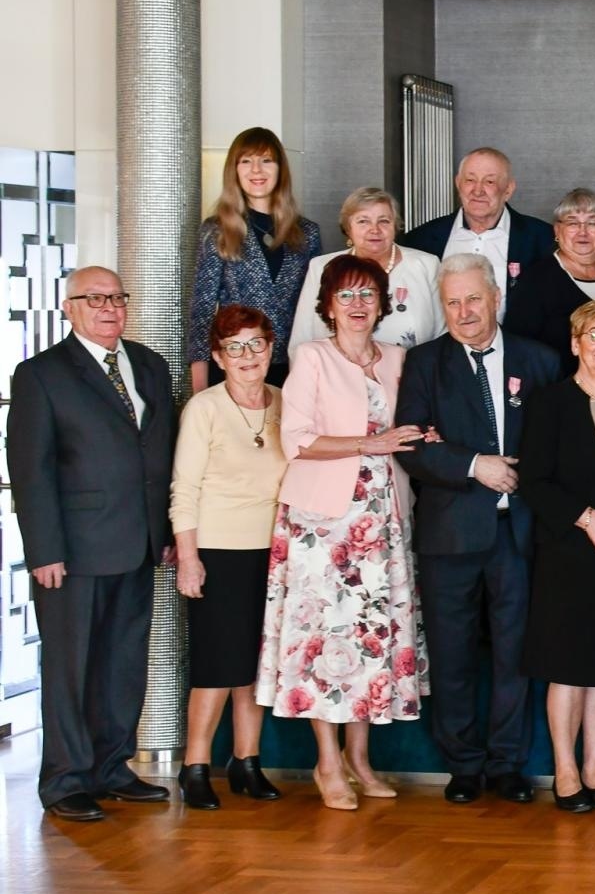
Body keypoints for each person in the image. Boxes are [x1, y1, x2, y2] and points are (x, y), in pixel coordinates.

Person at [254, 254, 432, 811]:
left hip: (385, 518)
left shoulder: (401, 358)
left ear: (384, 303)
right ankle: (326, 763)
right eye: (346, 296)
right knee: (323, 641)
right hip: (323, 524)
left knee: (373, 639)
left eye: (367, 295)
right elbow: (297, 440)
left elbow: (418, 425)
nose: (357, 306)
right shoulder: (310, 357)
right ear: (328, 307)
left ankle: (361, 759)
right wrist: (368, 444)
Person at [9, 267, 176, 822]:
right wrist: (44, 551)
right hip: (73, 551)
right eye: (95, 299)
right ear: (70, 307)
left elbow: (161, 457)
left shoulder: (149, 365)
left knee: (124, 663)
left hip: (139, 542)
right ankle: (65, 779)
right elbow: (30, 470)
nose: (110, 308)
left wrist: (168, 532)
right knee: (71, 665)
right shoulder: (41, 374)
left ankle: (111, 766)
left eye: (118, 298)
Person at [394, 253, 562, 805]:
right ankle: (463, 764)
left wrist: (520, 469)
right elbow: (414, 444)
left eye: (473, 298)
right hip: (450, 534)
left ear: (495, 298)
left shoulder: (540, 360)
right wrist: (473, 464)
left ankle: (509, 763)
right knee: (452, 653)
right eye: (453, 302)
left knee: (516, 653)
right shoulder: (423, 364)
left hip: (520, 533)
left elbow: (558, 442)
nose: (464, 311)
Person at [519, 299, 595, 813]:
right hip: (568, 552)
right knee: (568, 666)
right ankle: (566, 772)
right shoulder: (551, 403)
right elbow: (533, 480)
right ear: (575, 343)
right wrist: (587, 518)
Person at [171, 305, 289, 810]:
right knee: (218, 666)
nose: (248, 356)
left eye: (256, 344)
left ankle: (247, 762)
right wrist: (188, 557)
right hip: (217, 550)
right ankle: (195, 767)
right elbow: (184, 489)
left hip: (276, 551)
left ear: (270, 348)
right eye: (234, 347)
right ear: (218, 357)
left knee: (255, 667)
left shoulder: (286, 402)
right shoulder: (204, 408)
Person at [189, 127, 322, 392]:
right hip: (234, 366)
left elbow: (316, 308)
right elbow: (202, 312)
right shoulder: (217, 230)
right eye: (246, 161)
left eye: (266, 160)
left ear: (280, 169)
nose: (256, 170)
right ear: (234, 170)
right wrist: (200, 389)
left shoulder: (307, 233)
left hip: (293, 367)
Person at [505, 188, 595, 379]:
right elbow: (518, 348)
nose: (582, 232)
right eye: (572, 223)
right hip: (568, 397)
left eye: (592, 223)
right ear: (557, 231)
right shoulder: (537, 278)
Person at [399, 146, 555, 327]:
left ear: (508, 189)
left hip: (516, 351)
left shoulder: (542, 239)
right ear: (458, 183)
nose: (478, 190)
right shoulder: (420, 240)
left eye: (489, 182)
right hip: (442, 352)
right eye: (470, 180)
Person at [290, 187, 443, 353]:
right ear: (348, 229)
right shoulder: (321, 268)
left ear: (395, 226)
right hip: (336, 376)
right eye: (363, 221)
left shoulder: (427, 265)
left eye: (384, 221)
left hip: (414, 376)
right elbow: (301, 341)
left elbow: (443, 334)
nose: (374, 229)